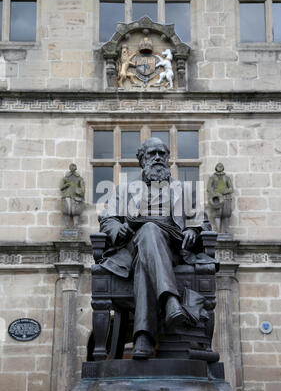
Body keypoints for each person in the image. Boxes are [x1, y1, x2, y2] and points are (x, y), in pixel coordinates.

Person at [98, 138, 211, 359]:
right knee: (149, 229)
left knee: (145, 257)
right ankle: (170, 301)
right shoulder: (125, 189)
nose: (158, 158)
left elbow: (203, 223)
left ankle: (144, 339)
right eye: (152, 154)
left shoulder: (185, 190)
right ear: (142, 160)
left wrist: (193, 231)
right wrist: (117, 229)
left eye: (162, 153)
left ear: (168, 159)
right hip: (134, 244)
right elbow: (107, 220)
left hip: (174, 249)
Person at [60, 163, 85, 228]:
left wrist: (80, 193)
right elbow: (61, 187)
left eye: (74, 167)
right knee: (67, 210)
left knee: (75, 211)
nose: (72, 168)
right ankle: (67, 225)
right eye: (71, 167)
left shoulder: (79, 178)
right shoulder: (66, 178)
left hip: (76, 196)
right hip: (67, 195)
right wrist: (66, 185)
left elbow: (83, 188)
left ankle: (75, 225)